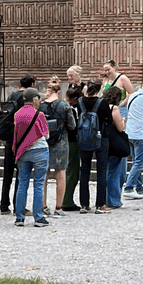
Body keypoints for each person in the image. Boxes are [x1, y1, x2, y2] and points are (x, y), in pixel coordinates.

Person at [12, 87, 52, 226]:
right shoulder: (39, 114)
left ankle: (19, 218)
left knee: (22, 184)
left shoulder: (17, 114)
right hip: (40, 150)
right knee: (39, 184)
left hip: (23, 152)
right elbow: (46, 135)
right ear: (35, 99)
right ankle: (38, 218)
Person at [100, 60, 136, 208]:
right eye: (105, 70)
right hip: (114, 122)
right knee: (115, 170)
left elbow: (131, 93)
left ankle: (106, 198)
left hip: (120, 109)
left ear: (114, 68)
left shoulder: (123, 78)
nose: (106, 72)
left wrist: (123, 103)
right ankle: (113, 199)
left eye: (108, 69)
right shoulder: (105, 81)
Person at [0, 74, 35, 214]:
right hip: (20, 139)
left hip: (9, 139)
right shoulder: (25, 97)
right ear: (32, 84)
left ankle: (4, 205)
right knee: (21, 174)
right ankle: (18, 205)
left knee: (7, 174)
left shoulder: (12, 95)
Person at [76, 80, 110, 214]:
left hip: (84, 137)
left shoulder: (79, 102)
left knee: (84, 171)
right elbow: (109, 120)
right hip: (101, 138)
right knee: (101, 171)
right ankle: (100, 204)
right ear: (99, 89)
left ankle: (84, 204)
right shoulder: (102, 103)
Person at [44, 77, 75, 215]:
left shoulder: (40, 105)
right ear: (59, 90)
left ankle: (43, 206)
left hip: (44, 141)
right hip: (61, 141)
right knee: (60, 174)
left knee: (43, 175)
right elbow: (72, 125)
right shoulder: (64, 105)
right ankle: (58, 207)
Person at [121, 80, 143, 199]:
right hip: (140, 135)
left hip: (129, 133)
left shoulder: (132, 96)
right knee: (139, 164)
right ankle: (128, 187)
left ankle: (139, 188)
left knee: (135, 162)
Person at [61, 65, 84, 210]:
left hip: (70, 137)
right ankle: (66, 201)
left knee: (71, 170)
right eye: (68, 76)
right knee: (72, 171)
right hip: (73, 138)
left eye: (71, 75)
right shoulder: (70, 91)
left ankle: (66, 200)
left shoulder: (83, 87)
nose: (69, 78)